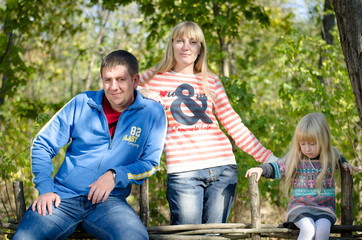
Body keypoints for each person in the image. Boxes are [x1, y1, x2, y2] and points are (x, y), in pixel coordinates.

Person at [13, 50, 167, 240]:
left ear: (135, 81)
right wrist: (45, 188)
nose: (113, 87)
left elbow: (150, 163)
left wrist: (115, 175)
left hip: (109, 202)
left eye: (121, 79)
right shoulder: (82, 103)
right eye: (107, 80)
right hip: (62, 198)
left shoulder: (152, 113)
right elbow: (42, 144)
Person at [139, 21, 278, 225]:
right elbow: (122, 87)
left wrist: (267, 156)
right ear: (171, 45)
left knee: (214, 236)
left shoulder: (210, 80)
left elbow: (233, 124)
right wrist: (143, 92)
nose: (186, 47)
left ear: (200, 49)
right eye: (180, 41)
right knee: (186, 237)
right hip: (183, 171)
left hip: (223, 168)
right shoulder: (156, 78)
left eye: (193, 42)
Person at [245, 112, 361, 240]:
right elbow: (277, 167)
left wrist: (345, 163)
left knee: (323, 230)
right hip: (300, 208)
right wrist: (261, 169)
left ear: (324, 140)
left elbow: (340, 158)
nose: (307, 148)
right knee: (308, 229)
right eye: (303, 144)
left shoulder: (330, 157)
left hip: (324, 209)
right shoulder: (296, 159)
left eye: (312, 143)